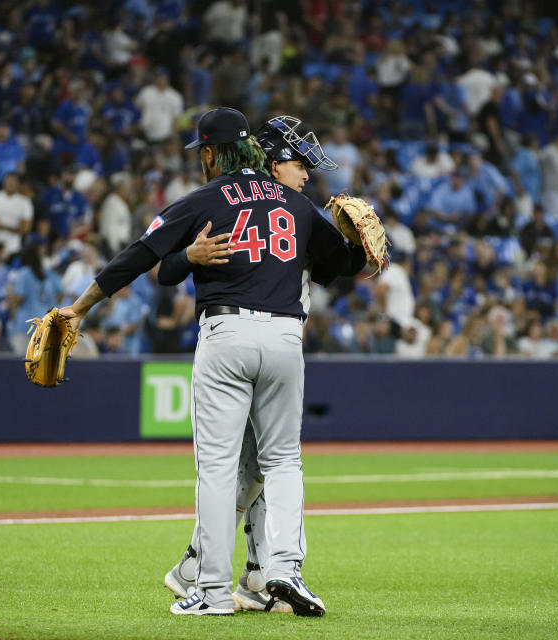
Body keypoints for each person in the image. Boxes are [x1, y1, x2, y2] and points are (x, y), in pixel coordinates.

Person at [58, 107, 360, 616]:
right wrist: (364, 243)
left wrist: (79, 306)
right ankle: (282, 570)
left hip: (227, 334)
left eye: (202, 151)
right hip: (286, 339)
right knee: (283, 461)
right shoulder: (298, 204)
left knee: (219, 469)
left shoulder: (204, 199)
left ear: (213, 152)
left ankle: (213, 590)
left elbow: (139, 255)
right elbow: (350, 263)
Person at [157, 114, 359, 613]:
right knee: (260, 466)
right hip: (264, 342)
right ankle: (231, 570)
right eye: (298, 164)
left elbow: (339, 270)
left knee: (253, 468)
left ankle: (232, 572)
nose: (307, 174)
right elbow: (168, 264)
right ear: (268, 161)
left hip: (254, 342)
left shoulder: (284, 209)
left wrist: (352, 249)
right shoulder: (270, 207)